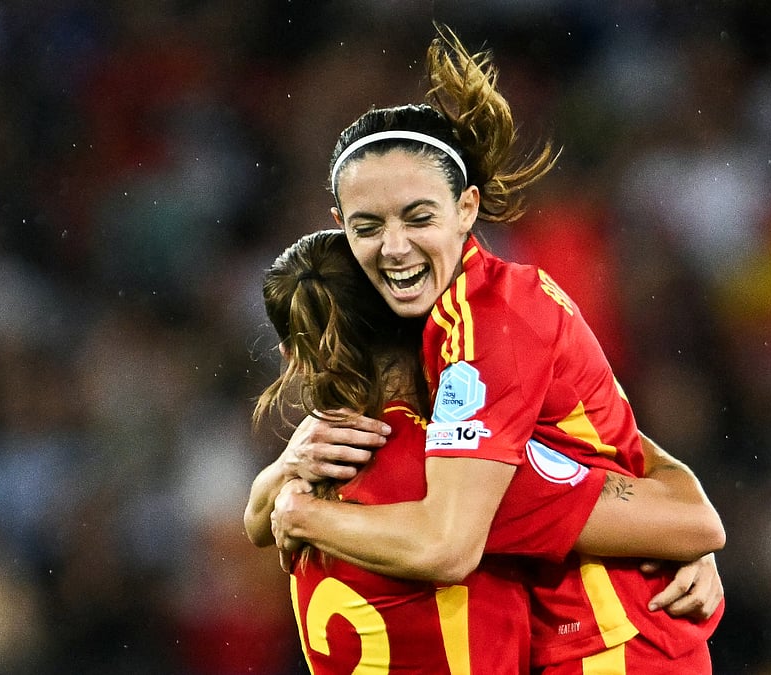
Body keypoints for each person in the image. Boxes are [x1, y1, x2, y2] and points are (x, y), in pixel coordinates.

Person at [268, 24, 725, 673]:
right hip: (586, 639)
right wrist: (282, 477)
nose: (394, 246)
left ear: (467, 208)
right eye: (369, 226)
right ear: (341, 228)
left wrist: (299, 511)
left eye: (418, 217)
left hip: (610, 644)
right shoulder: (460, 328)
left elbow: (448, 545)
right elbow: (638, 468)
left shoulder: (486, 333)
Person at [248, 229, 724, 672]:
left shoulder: (310, 469)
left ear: (291, 358)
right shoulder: (462, 467)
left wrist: (292, 500)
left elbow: (256, 522)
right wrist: (678, 545)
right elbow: (692, 522)